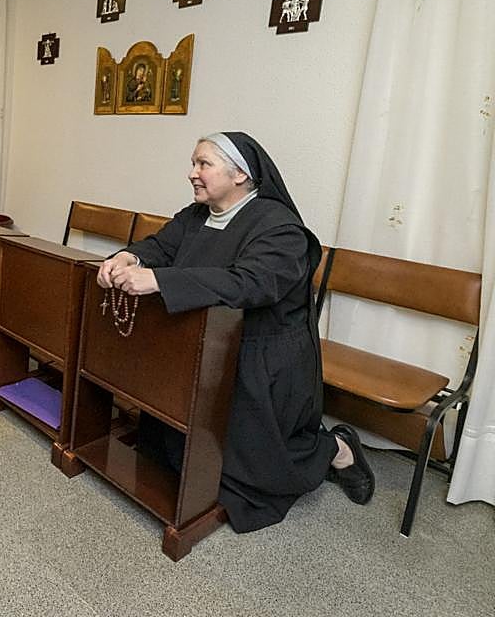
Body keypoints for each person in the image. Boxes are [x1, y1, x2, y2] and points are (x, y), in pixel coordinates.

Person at [96, 132, 373, 533]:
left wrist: (159, 281)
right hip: (208, 343)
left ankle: (339, 450)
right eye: (193, 163)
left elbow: (252, 283)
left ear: (240, 172)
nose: (192, 173)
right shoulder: (197, 214)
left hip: (264, 354)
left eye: (203, 164)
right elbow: (161, 246)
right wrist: (128, 256)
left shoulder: (280, 228)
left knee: (257, 468)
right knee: (174, 441)